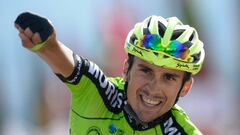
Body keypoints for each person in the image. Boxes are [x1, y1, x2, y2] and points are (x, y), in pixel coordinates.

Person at [14, 12, 205, 135]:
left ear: (185, 87)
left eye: (169, 77)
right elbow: (68, 62)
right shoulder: (99, 93)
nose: (154, 88)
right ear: (126, 69)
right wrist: (47, 44)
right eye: (145, 70)